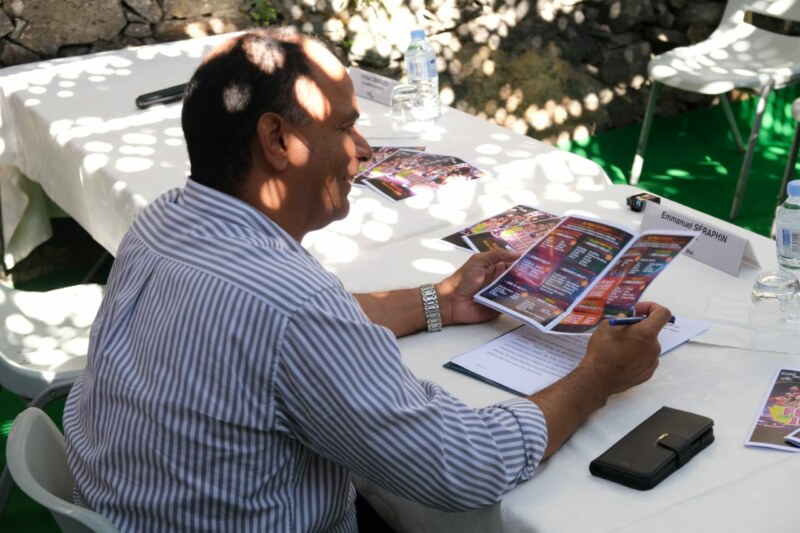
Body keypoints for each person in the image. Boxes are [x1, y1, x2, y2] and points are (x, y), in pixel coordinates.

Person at [63, 27, 671, 532]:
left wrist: (442, 302)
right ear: (278, 139)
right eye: (346, 127)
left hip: (125, 507)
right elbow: (463, 467)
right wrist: (597, 378)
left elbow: (280, 336)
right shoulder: (290, 305)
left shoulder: (164, 219)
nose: (364, 148)